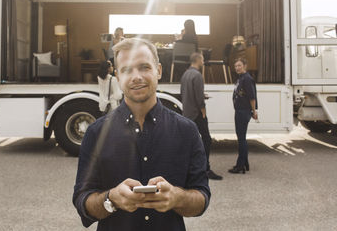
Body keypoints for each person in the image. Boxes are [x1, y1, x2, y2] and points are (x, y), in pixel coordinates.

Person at [73, 38, 210, 231]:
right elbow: (82, 200)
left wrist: (177, 198)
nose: (136, 76)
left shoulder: (187, 131)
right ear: (118, 77)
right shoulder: (96, 133)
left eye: (144, 67)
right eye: (127, 70)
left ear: (159, 71)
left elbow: (202, 198)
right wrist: (111, 199)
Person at [180, 52, 223, 181]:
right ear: (198, 60)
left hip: (187, 112)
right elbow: (199, 98)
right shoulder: (197, 75)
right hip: (197, 114)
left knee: (189, 142)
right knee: (207, 140)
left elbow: (185, 93)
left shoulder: (185, 74)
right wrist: (203, 111)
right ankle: (205, 169)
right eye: (202, 59)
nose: (203, 62)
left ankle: (188, 168)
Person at [229, 58, 258, 174]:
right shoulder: (241, 78)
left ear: (245, 66)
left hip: (243, 111)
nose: (237, 68)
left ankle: (240, 165)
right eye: (236, 66)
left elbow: (252, 97)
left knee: (241, 139)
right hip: (239, 111)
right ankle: (245, 163)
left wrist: (254, 111)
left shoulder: (247, 79)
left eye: (239, 66)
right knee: (241, 138)